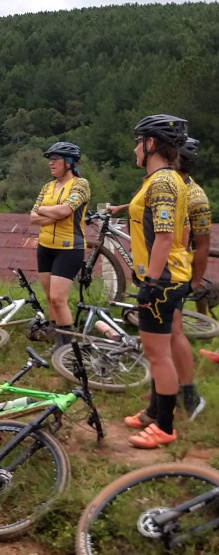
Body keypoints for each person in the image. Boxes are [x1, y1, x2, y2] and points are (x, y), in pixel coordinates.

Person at [120, 114, 191, 448]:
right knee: (158, 351)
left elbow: (162, 237)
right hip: (173, 275)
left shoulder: (161, 182)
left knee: (157, 354)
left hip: (161, 280)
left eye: (138, 141)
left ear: (150, 144)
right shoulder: (168, 180)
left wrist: (149, 282)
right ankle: (153, 411)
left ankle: (164, 426)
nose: (134, 148)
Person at [29, 142, 90, 349]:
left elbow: (65, 211)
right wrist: (53, 213)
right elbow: (32, 217)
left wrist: (46, 210)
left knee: (58, 298)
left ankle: (70, 348)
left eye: (55, 159)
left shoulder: (80, 185)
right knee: (49, 297)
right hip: (45, 246)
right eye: (49, 159)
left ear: (70, 162)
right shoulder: (47, 187)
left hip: (69, 247)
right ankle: (58, 344)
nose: (50, 163)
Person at [175, 137, 208, 419]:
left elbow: (203, 244)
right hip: (157, 269)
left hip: (174, 270)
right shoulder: (164, 184)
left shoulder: (195, 197)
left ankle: (189, 396)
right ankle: (168, 389)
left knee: (172, 334)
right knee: (164, 337)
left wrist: (196, 282)